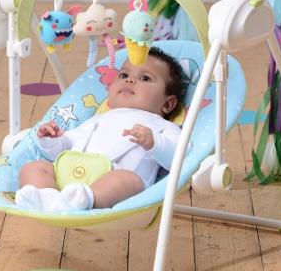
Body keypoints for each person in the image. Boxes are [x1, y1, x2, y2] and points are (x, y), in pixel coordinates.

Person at [15, 47, 187, 212]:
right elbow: (65, 147)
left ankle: (84, 200)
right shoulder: (100, 119)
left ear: (167, 104)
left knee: (125, 179)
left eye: (145, 78)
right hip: (72, 173)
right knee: (33, 167)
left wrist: (154, 143)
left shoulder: (163, 127)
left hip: (115, 178)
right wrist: (51, 139)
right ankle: (47, 197)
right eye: (124, 75)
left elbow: (182, 157)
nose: (130, 80)